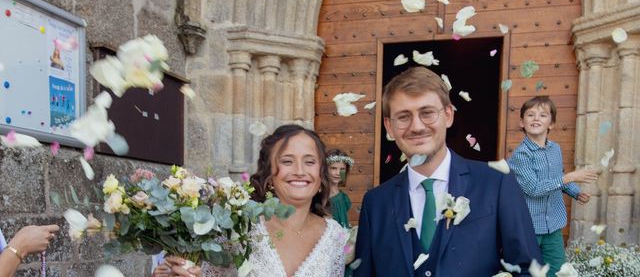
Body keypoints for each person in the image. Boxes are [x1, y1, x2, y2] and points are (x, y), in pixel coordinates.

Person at [354, 66, 542, 276]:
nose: (416, 126)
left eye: (427, 113)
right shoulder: (375, 203)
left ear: (448, 115)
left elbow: (529, 270)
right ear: (389, 126)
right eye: (404, 117)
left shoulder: (496, 183)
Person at [154, 124, 348, 277]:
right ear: (269, 175)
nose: (299, 170)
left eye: (310, 161)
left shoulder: (334, 236)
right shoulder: (240, 227)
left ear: (321, 173)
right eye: (287, 161)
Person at [508, 96, 598, 277]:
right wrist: (569, 177)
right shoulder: (521, 155)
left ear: (551, 124)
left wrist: (575, 191)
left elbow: (558, 176)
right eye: (530, 115)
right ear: (522, 123)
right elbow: (534, 189)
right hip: (529, 227)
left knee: (557, 271)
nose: (536, 118)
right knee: (527, 272)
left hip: (553, 224)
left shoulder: (555, 149)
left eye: (542, 115)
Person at [326, 149, 356, 277]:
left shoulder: (343, 198)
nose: (338, 173)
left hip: (343, 246)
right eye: (333, 168)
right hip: (328, 248)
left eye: (342, 169)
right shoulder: (320, 196)